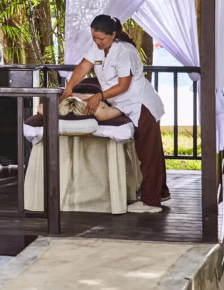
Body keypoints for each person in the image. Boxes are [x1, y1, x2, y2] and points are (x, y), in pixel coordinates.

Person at [60, 14, 170, 214]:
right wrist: (69, 88)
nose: (97, 42)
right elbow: (83, 67)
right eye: (94, 38)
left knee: (148, 154)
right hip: (124, 103)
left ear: (113, 34)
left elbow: (123, 85)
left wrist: (99, 97)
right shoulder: (99, 47)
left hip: (141, 104)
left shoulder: (124, 51)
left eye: (101, 38)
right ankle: (160, 193)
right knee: (151, 152)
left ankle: (151, 202)